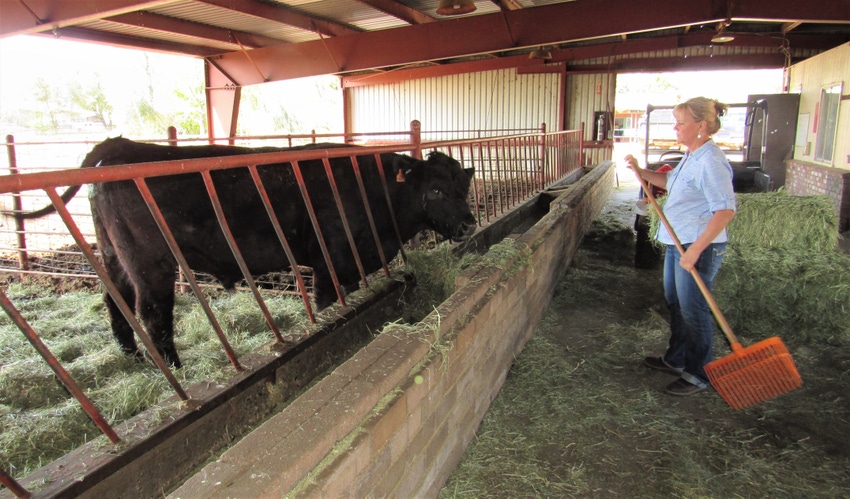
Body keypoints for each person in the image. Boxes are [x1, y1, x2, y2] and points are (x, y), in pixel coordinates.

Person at [625, 97, 737, 397]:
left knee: (694, 309)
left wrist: (695, 251)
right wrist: (640, 170)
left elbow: (725, 211)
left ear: (700, 126)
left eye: (681, 122)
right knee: (676, 303)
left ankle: (699, 374)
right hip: (679, 242)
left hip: (697, 247)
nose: (675, 127)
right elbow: (669, 180)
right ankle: (675, 359)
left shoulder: (712, 161)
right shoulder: (692, 155)